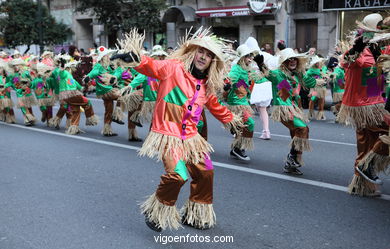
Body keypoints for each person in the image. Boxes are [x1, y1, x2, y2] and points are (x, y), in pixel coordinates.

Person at [111, 28, 242, 232]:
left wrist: (232, 121)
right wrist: (136, 59)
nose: (203, 57)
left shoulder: (207, 84)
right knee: (178, 175)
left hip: (191, 136)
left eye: (208, 55)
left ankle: (195, 214)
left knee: (206, 171)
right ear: (193, 52)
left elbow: (215, 105)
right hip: (167, 134)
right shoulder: (173, 68)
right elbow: (152, 66)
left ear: (212, 61)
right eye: (201, 52)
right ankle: (156, 211)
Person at [338, 13, 390, 197]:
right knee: (367, 141)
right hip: (361, 106)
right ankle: (364, 173)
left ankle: (360, 183)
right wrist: (357, 49)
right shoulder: (361, 50)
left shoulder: (382, 50)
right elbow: (346, 62)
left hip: (376, 102)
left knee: (367, 143)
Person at [255, 48, 311, 175]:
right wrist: (261, 65)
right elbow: (269, 74)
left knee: (296, 133)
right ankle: (292, 158)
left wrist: (322, 79)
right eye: (289, 59)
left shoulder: (297, 75)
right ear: (284, 62)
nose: (292, 61)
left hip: (295, 109)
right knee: (303, 129)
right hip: (283, 109)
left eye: (294, 58)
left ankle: (291, 163)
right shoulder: (279, 74)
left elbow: (309, 81)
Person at [225, 44, 256, 160]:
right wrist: (227, 84)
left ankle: (236, 148)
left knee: (243, 126)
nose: (250, 58)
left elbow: (243, 85)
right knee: (250, 123)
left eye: (251, 56)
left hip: (243, 103)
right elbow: (230, 79)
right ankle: (238, 148)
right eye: (248, 56)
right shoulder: (237, 69)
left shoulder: (245, 69)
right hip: (236, 104)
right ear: (242, 57)